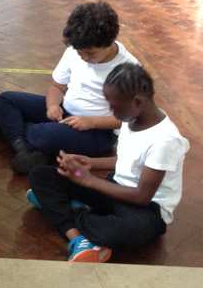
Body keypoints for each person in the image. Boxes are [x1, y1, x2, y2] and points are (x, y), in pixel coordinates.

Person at [27, 63, 188, 262]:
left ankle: (63, 209)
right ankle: (78, 236)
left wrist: (88, 180)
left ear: (137, 102)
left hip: (146, 210)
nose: (111, 111)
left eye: (114, 106)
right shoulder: (132, 117)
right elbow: (129, 161)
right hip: (115, 189)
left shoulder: (165, 141)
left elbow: (142, 196)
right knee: (41, 175)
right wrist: (90, 163)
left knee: (118, 232)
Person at [0, 1, 139, 174]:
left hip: (96, 131)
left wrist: (91, 122)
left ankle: (15, 129)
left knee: (42, 135)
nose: (83, 58)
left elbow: (130, 118)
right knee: (6, 100)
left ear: (109, 42)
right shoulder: (75, 50)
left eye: (90, 53)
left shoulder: (129, 70)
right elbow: (58, 86)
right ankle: (23, 145)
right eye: (79, 52)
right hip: (65, 112)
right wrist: (52, 105)